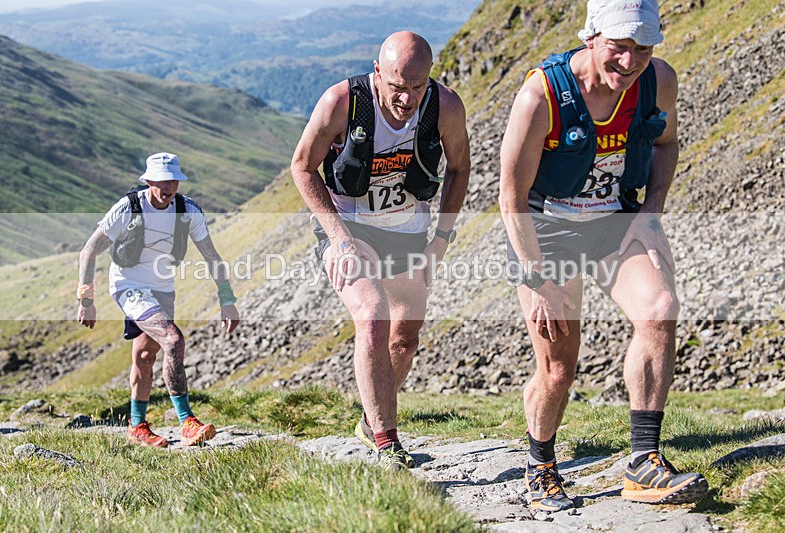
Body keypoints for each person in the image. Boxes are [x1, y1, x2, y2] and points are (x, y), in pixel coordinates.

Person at [499, 0, 707, 511]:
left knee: (659, 312)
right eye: (619, 47)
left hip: (615, 221)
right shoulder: (541, 95)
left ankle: (643, 461)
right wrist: (536, 276)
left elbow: (666, 143)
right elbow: (510, 194)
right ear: (591, 35)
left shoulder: (659, 81)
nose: (630, 61)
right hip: (546, 234)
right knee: (557, 370)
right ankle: (540, 463)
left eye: (643, 47)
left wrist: (650, 213)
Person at [291, 31, 470, 469]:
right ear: (377, 73)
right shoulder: (341, 101)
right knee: (372, 316)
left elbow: (460, 169)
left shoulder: (445, 106)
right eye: (396, 87)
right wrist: (339, 239)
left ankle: (370, 422)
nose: (406, 99)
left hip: (408, 230)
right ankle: (387, 442)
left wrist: (441, 241)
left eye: (417, 87)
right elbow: (301, 165)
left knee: (404, 340)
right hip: (349, 227)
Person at [77, 152, 239, 448]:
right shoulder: (129, 207)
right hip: (128, 284)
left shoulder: (187, 210)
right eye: (163, 182)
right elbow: (89, 250)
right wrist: (86, 297)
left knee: (145, 356)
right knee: (173, 340)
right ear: (149, 181)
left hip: (163, 288)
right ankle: (187, 422)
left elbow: (211, 257)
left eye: (174, 181)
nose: (169, 188)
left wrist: (227, 298)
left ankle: (137, 426)